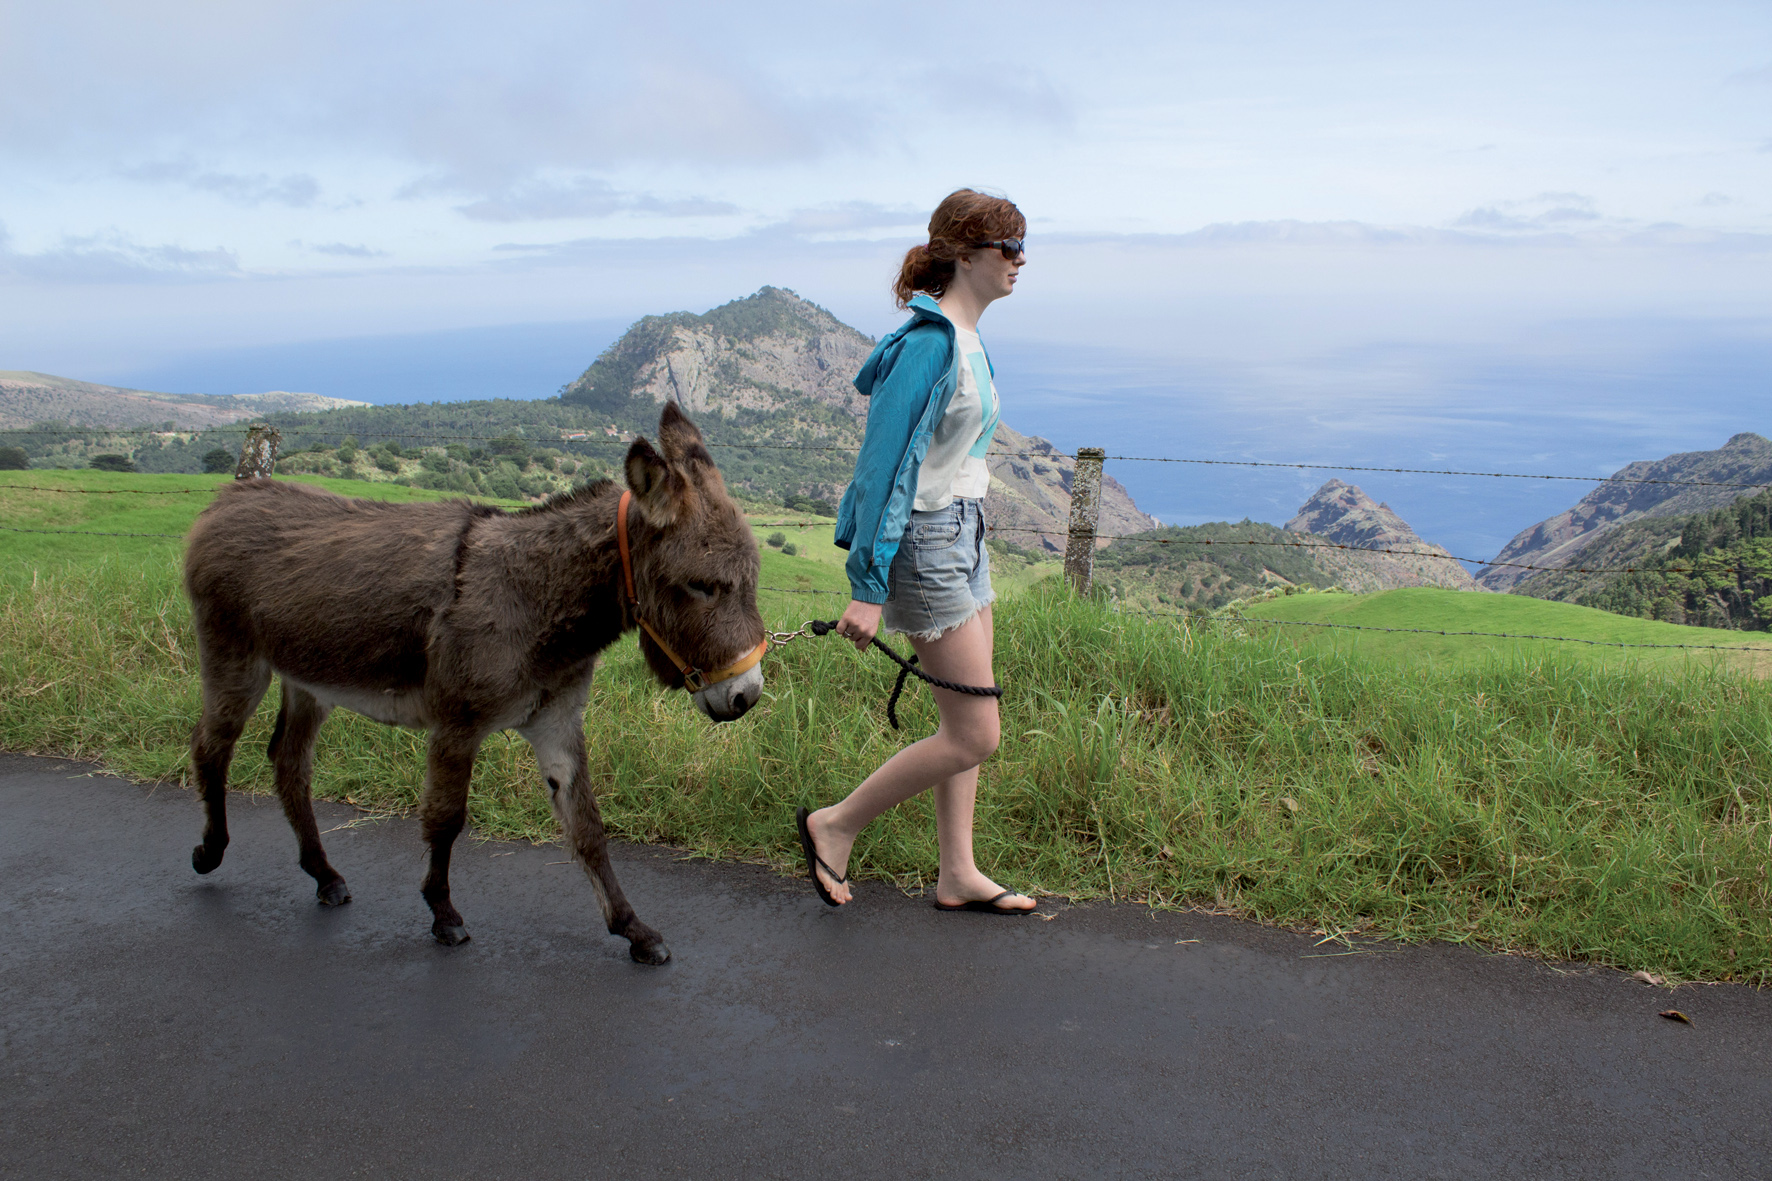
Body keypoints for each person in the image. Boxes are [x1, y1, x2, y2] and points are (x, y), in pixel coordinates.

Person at [795, 188, 1036, 915]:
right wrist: (868, 586)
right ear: (965, 255)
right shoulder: (929, 347)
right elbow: (880, 470)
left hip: (965, 530)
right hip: (927, 542)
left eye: (1023, 247)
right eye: (1008, 248)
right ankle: (833, 824)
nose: (1020, 262)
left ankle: (957, 872)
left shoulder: (967, 339)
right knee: (976, 731)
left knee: (961, 726)